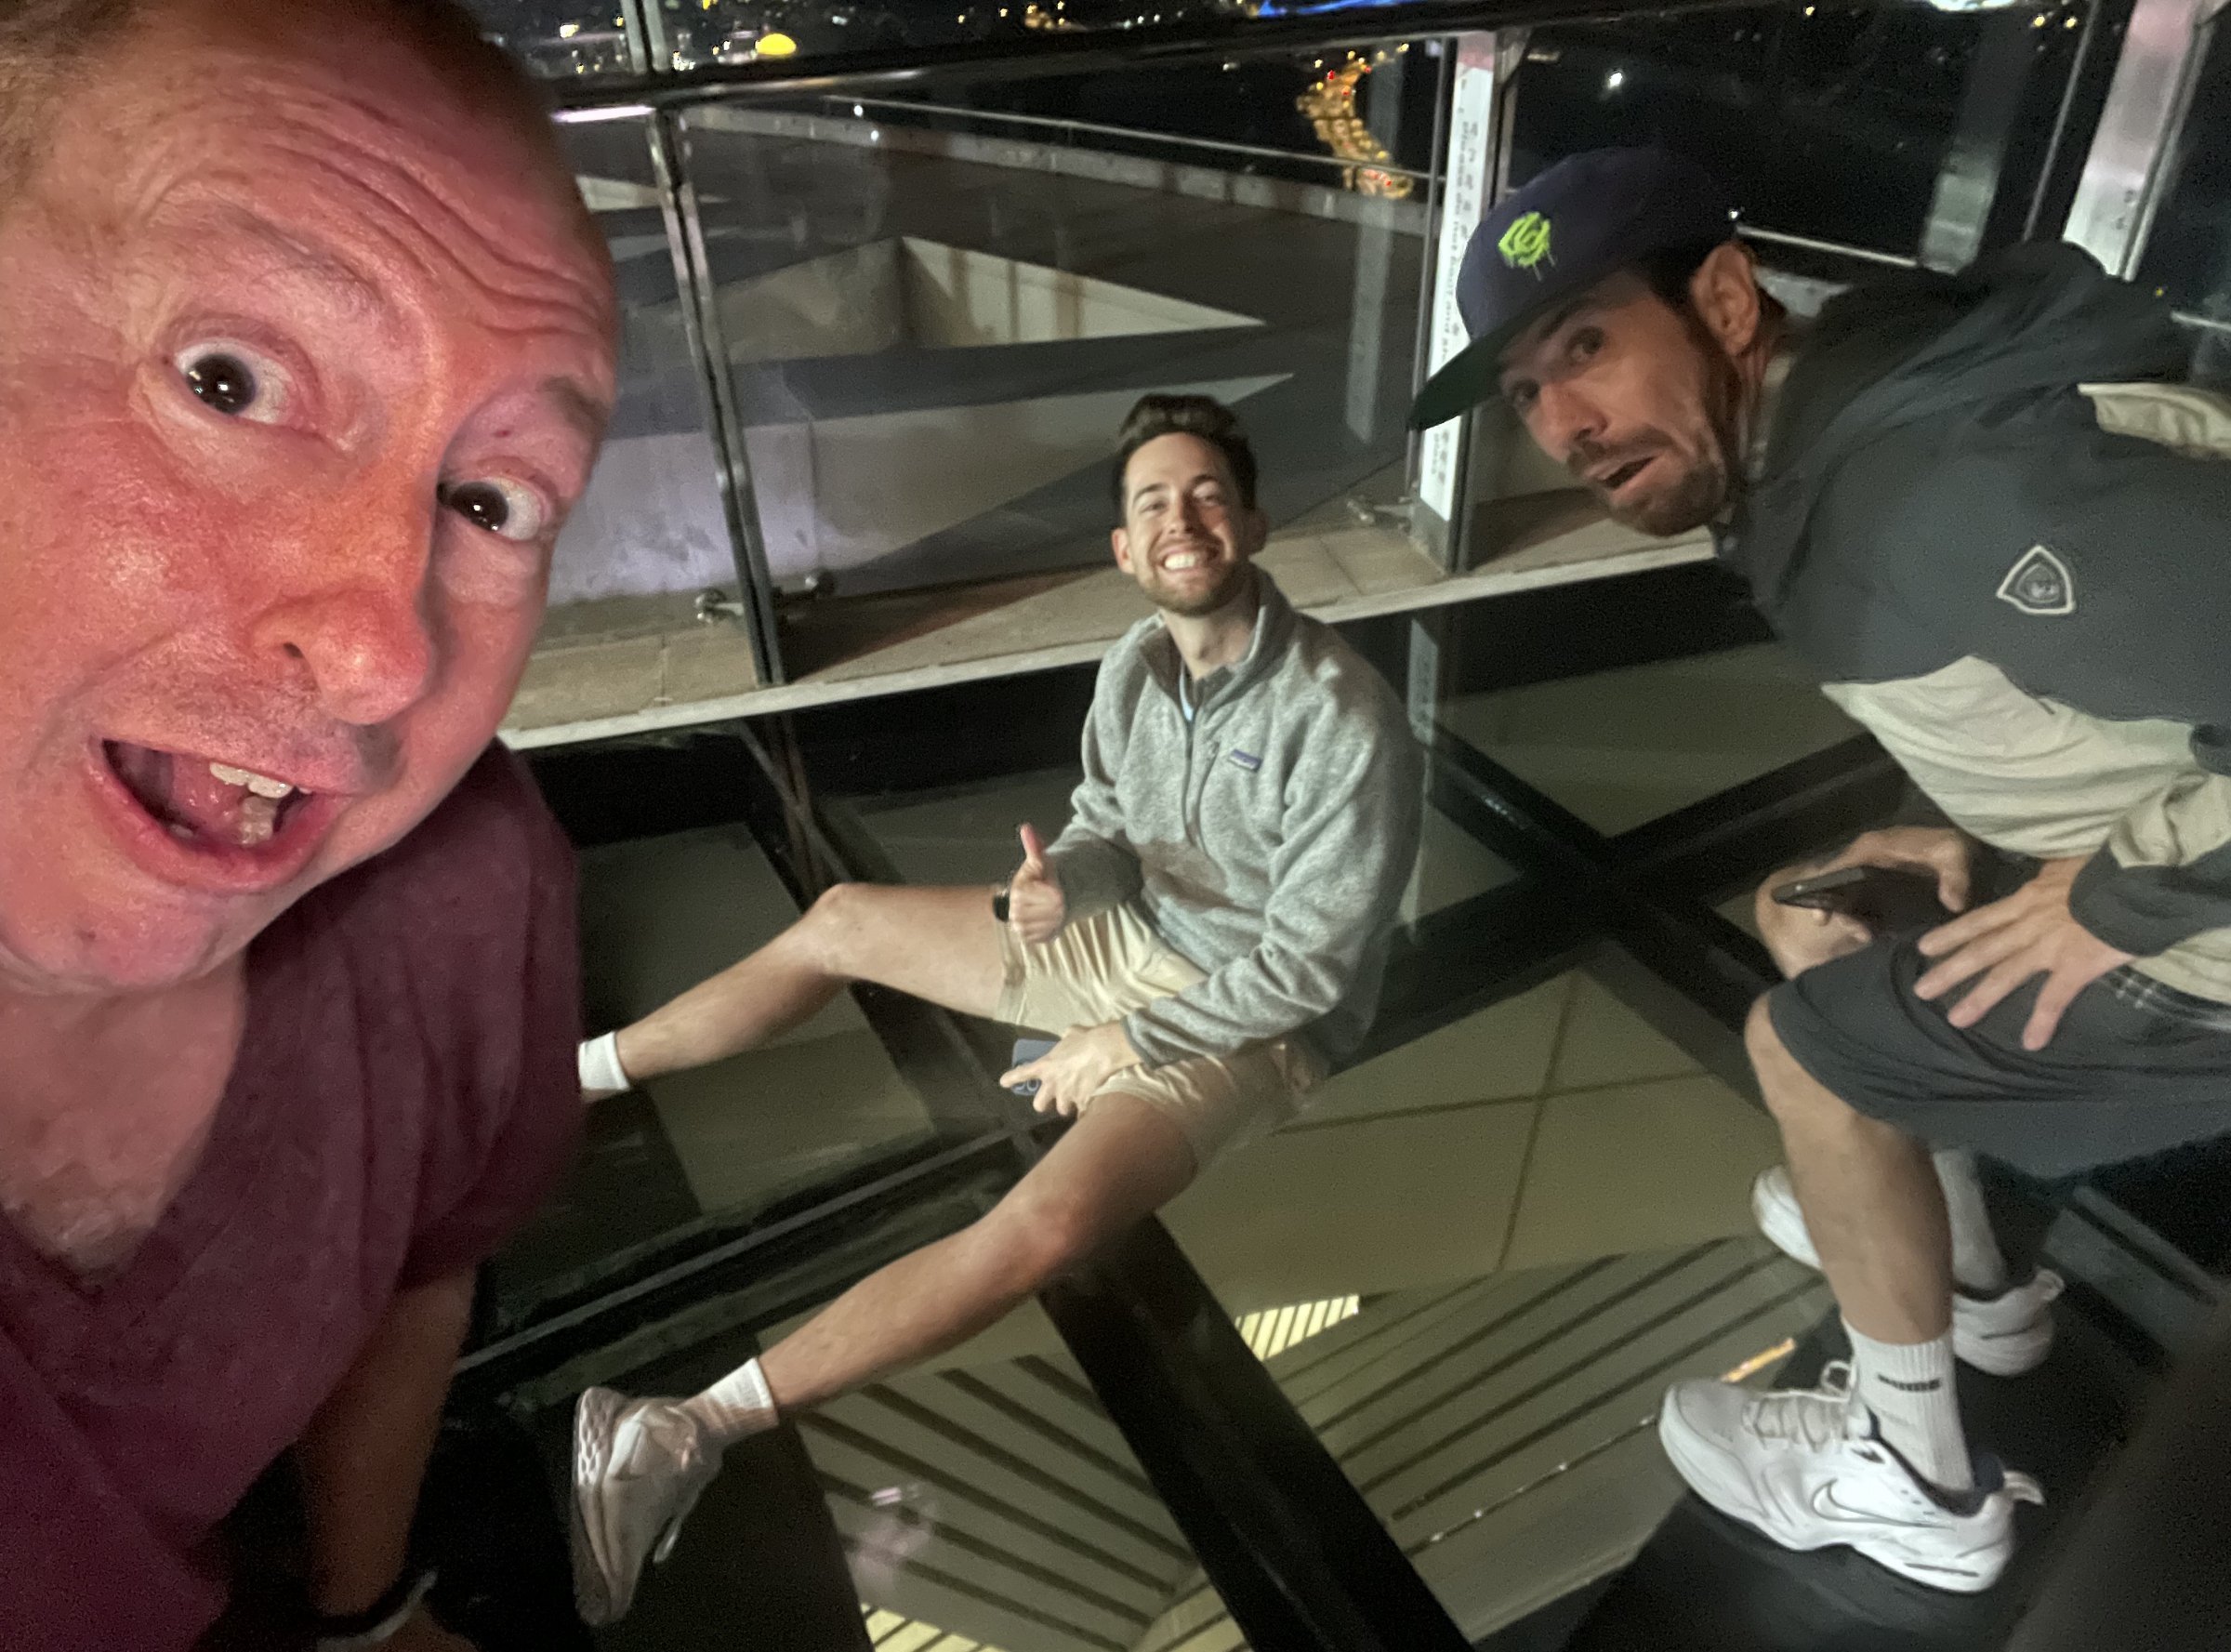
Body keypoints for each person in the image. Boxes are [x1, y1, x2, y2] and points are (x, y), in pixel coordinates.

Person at [1412, 146, 2231, 1592]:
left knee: (1804, 1055)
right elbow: (2062, 676)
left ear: (1728, 300)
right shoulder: (1840, 428)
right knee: (1826, 920)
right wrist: (1953, 822)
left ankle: (1918, 1483)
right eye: (1527, 390)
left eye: (1587, 346)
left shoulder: (1945, 485)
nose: (1565, 426)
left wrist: (2117, 900)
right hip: (2172, 838)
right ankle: (1969, 1289)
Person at [568, 392, 1424, 1624]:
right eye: (1152, 503)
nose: (1181, 521)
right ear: (1123, 548)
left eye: (1206, 495)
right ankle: (574, 1080)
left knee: (1044, 1229)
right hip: (1127, 939)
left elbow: (1308, 971)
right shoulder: (1136, 665)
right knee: (842, 918)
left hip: (1251, 1021)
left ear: (1253, 523)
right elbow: (1110, 828)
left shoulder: (1342, 716)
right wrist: (1058, 884)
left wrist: (1122, 1042)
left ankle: (685, 1430)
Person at [0, 1, 617, 1647]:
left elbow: (420, 1263)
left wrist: (365, 1609)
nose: (382, 656)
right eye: (232, 379)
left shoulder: (457, 896)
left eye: (491, 501)